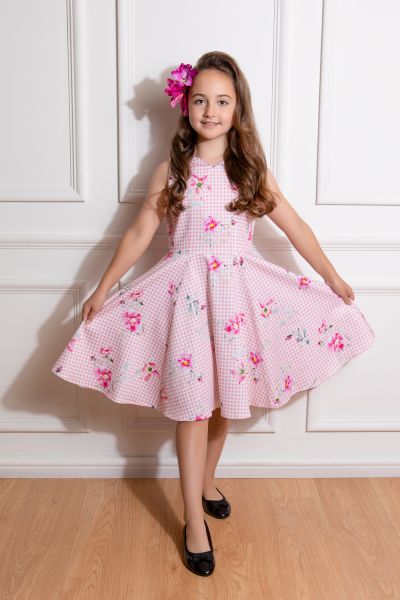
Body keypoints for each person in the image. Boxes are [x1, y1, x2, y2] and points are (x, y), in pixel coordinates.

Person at [50, 51, 375, 577]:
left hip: (236, 301)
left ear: (237, 108)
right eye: (200, 100)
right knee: (193, 408)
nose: (210, 111)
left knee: (224, 398)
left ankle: (205, 481)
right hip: (185, 300)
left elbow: (295, 227)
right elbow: (140, 232)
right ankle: (193, 521)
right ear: (186, 106)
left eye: (222, 101)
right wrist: (104, 286)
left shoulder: (250, 173)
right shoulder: (172, 171)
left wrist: (332, 277)